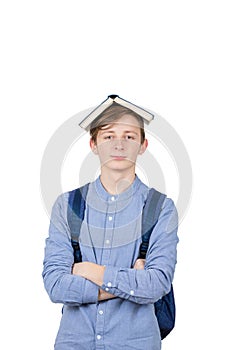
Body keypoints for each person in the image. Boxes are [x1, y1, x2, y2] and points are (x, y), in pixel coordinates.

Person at [42, 101, 179, 350]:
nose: (119, 144)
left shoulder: (160, 208)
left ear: (142, 145)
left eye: (129, 136)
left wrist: (90, 270)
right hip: (75, 343)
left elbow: (157, 283)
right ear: (94, 145)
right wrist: (133, 280)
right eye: (108, 136)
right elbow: (55, 285)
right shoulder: (67, 205)